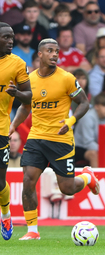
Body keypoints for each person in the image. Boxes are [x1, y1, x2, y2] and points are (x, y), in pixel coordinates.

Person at [9, 38, 99, 240]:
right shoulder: (29, 79)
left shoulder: (66, 78)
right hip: (36, 137)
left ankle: (87, 177)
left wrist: (71, 119)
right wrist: (14, 125)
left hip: (61, 139)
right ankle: (32, 231)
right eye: (50, 51)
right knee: (28, 181)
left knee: (67, 189)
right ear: (39, 54)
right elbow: (25, 106)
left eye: (57, 51)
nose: (55, 54)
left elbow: (84, 103)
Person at [0, 22, 32, 241]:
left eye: (12, 37)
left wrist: (17, 94)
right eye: (6, 37)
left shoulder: (17, 64)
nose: (11, 40)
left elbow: (29, 96)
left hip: (1, 127)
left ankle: (6, 214)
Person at [74, 92, 105, 167]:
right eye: (104, 105)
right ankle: (97, 178)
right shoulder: (88, 117)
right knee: (94, 154)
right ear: (96, 106)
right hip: (81, 148)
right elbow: (88, 143)